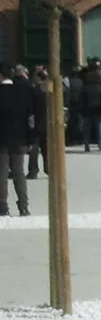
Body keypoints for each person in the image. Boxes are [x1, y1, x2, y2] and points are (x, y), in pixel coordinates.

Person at [0, 65, 36, 216]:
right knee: (19, 172)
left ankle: (2, 206)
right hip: (20, 138)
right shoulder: (23, 92)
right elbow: (30, 119)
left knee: (1, 173)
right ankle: (23, 205)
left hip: (1, 139)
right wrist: (31, 139)